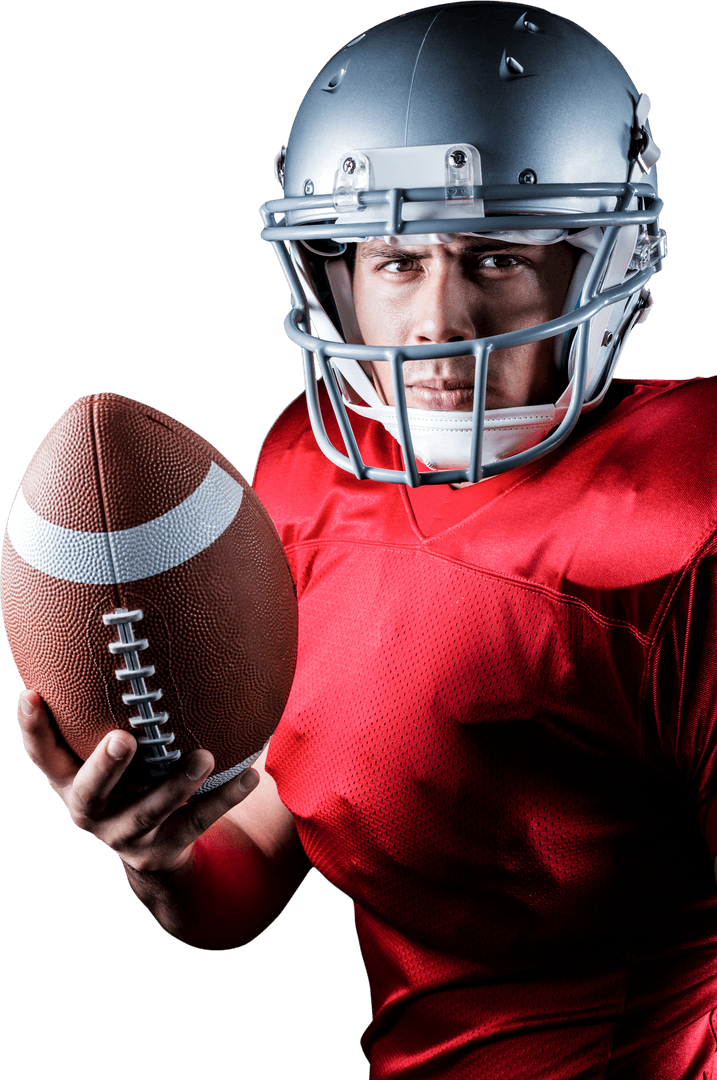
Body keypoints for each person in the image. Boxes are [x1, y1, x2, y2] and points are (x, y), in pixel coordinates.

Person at [16, 4, 717, 1078]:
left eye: (492, 257)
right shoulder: (310, 467)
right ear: (334, 271)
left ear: (600, 262)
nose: (435, 321)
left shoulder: (686, 520)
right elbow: (263, 855)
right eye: (394, 259)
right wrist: (162, 852)